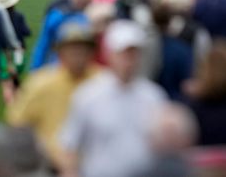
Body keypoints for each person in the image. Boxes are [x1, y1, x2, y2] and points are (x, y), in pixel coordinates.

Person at [60, 20, 168, 177]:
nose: (129, 60)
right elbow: (70, 145)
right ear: (109, 54)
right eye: (124, 53)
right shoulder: (88, 95)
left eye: (134, 53)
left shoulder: (154, 96)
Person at [7, 22, 100, 171]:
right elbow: (18, 123)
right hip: (50, 163)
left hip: (95, 163)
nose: (77, 53)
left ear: (91, 52)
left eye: (82, 48)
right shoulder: (41, 83)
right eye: (71, 48)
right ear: (60, 52)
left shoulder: (102, 81)